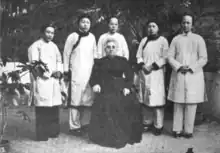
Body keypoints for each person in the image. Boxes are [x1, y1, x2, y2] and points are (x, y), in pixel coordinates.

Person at [88, 38, 142, 149]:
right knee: (107, 104)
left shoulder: (122, 60)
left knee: (129, 104)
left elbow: (129, 76)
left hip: (119, 88)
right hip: (105, 88)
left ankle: (125, 133)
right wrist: (95, 84)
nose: (111, 49)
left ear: (116, 49)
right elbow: (93, 77)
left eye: (113, 47)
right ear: (105, 49)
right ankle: (107, 136)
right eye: (108, 47)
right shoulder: (99, 62)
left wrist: (127, 87)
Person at [167, 13, 208, 138]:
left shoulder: (198, 39)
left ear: (192, 25)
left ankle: (189, 130)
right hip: (179, 73)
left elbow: (203, 58)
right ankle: (177, 129)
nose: (186, 25)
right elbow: (169, 56)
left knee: (191, 103)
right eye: (184, 22)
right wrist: (179, 66)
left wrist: (191, 68)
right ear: (181, 24)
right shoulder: (176, 39)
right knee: (178, 102)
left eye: (188, 23)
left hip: (193, 75)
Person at [28, 23, 63, 141]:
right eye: (48, 32)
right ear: (42, 32)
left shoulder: (54, 46)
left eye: (52, 33)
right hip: (42, 81)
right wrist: (49, 74)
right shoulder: (35, 46)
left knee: (53, 106)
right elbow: (35, 66)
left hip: (53, 82)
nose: (50, 35)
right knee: (43, 108)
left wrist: (59, 72)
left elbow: (59, 60)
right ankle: (42, 134)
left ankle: (53, 132)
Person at [63, 14, 97, 136]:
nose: (85, 24)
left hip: (89, 73)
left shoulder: (92, 37)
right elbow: (66, 54)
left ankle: (85, 124)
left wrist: (96, 70)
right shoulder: (73, 37)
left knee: (87, 100)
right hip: (76, 73)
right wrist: (66, 70)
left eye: (88, 22)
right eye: (83, 22)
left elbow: (95, 55)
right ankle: (74, 126)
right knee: (75, 100)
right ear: (78, 24)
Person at [136, 20, 169, 136]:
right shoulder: (144, 40)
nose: (151, 28)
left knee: (157, 101)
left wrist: (153, 66)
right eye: (149, 26)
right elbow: (138, 55)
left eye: (153, 26)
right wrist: (143, 65)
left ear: (158, 28)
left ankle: (158, 125)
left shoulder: (163, 41)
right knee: (145, 99)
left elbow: (166, 57)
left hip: (157, 74)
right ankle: (147, 123)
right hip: (144, 73)